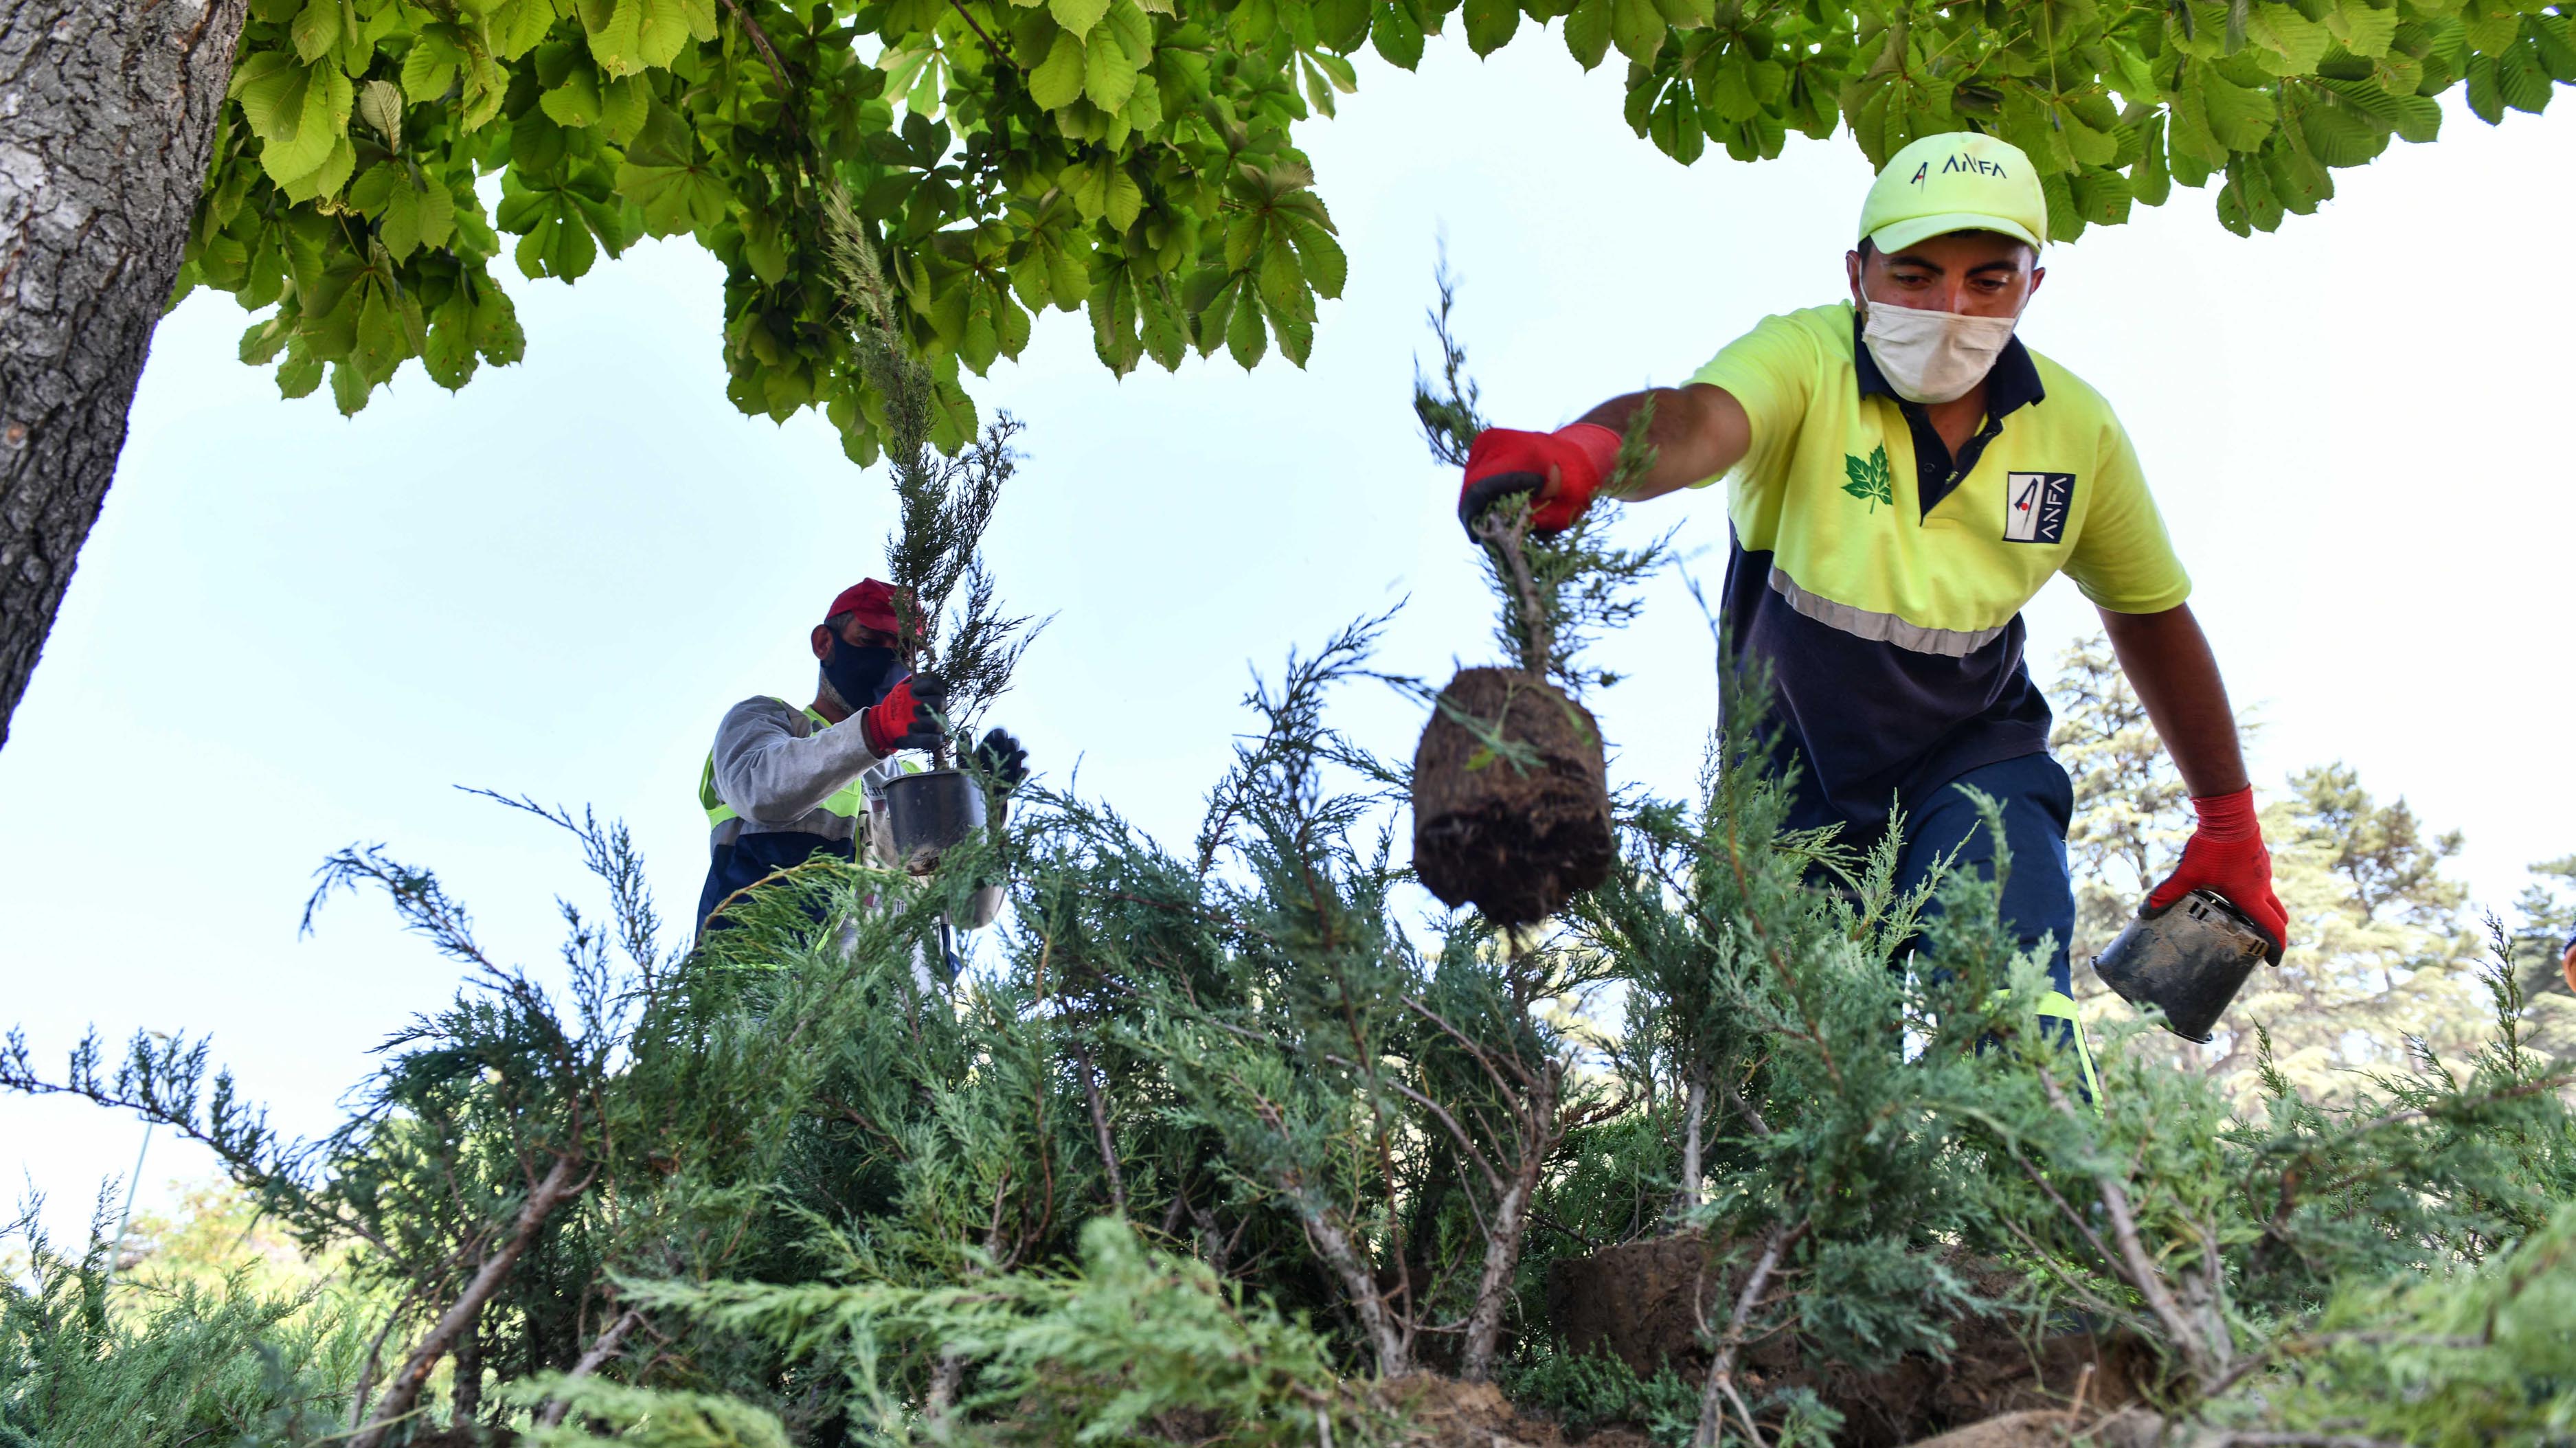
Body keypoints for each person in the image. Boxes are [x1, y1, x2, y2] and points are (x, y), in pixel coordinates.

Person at [1454, 131, 2287, 1065]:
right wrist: (1587, 454)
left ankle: (2054, 1203)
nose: (1948, 311)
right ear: (1857, 274)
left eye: (1987, 281)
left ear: (2032, 287)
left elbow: (2148, 615)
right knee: (1802, 1085)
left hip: (1971, 764)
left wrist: (2228, 824)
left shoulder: (2076, 430)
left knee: (2008, 1017)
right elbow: (1697, 421)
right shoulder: (1804, 362)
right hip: (1787, 799)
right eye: (1915, 274)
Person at [694, 578, 1029, 945]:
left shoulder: (914, 785)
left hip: (894, 999)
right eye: (869, 642)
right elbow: (760, 791)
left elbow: (970, 910)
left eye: (902, 652)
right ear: (825, 643)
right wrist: (877, 730)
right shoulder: (766, 722)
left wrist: (985, 810)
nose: (887, 662)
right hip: (765, 989)